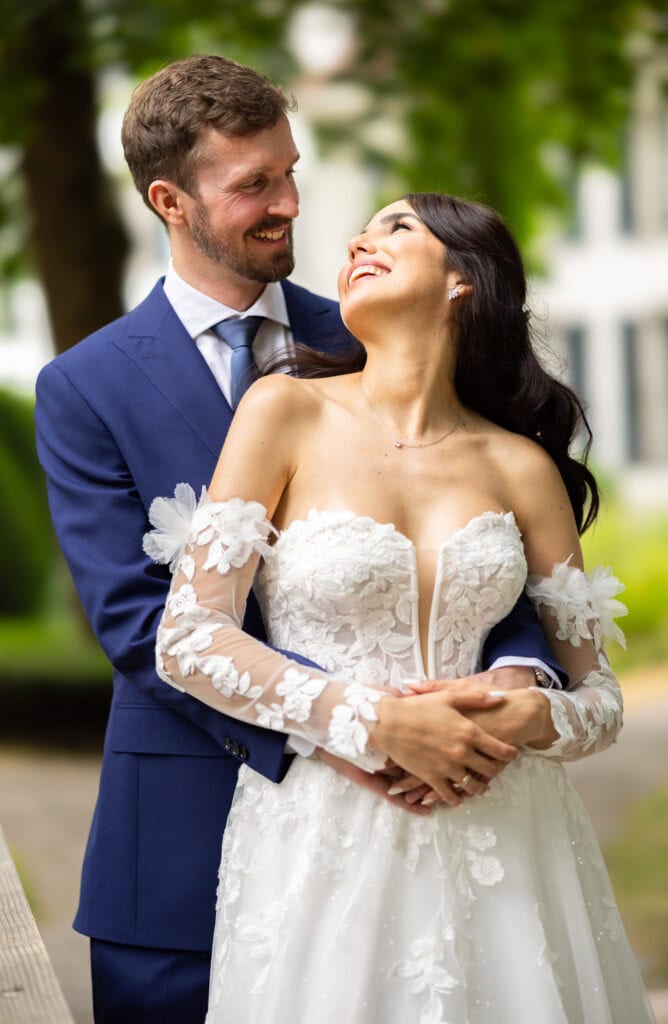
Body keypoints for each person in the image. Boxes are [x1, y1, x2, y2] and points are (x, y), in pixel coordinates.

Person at [34, 56, 561, 1023]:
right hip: (179, 843)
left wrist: (506, 690)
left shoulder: (384, 328)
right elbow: (135, 622)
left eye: (290, 172)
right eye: (253, 185)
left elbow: (497, 553)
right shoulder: (84, 387)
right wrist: (356, 731)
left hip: (417, 828)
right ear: (170, 202)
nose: (289, 205)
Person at [146, 192, 655, 1022]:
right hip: (325, 832)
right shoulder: (283, 410)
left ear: (462, 281)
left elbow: (598, 699)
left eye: (396, 227)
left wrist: (530, 716)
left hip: (509, 836)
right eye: (361, 232)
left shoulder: (521, 466)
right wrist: (373, 722)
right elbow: (189, 638)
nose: (359, 241)